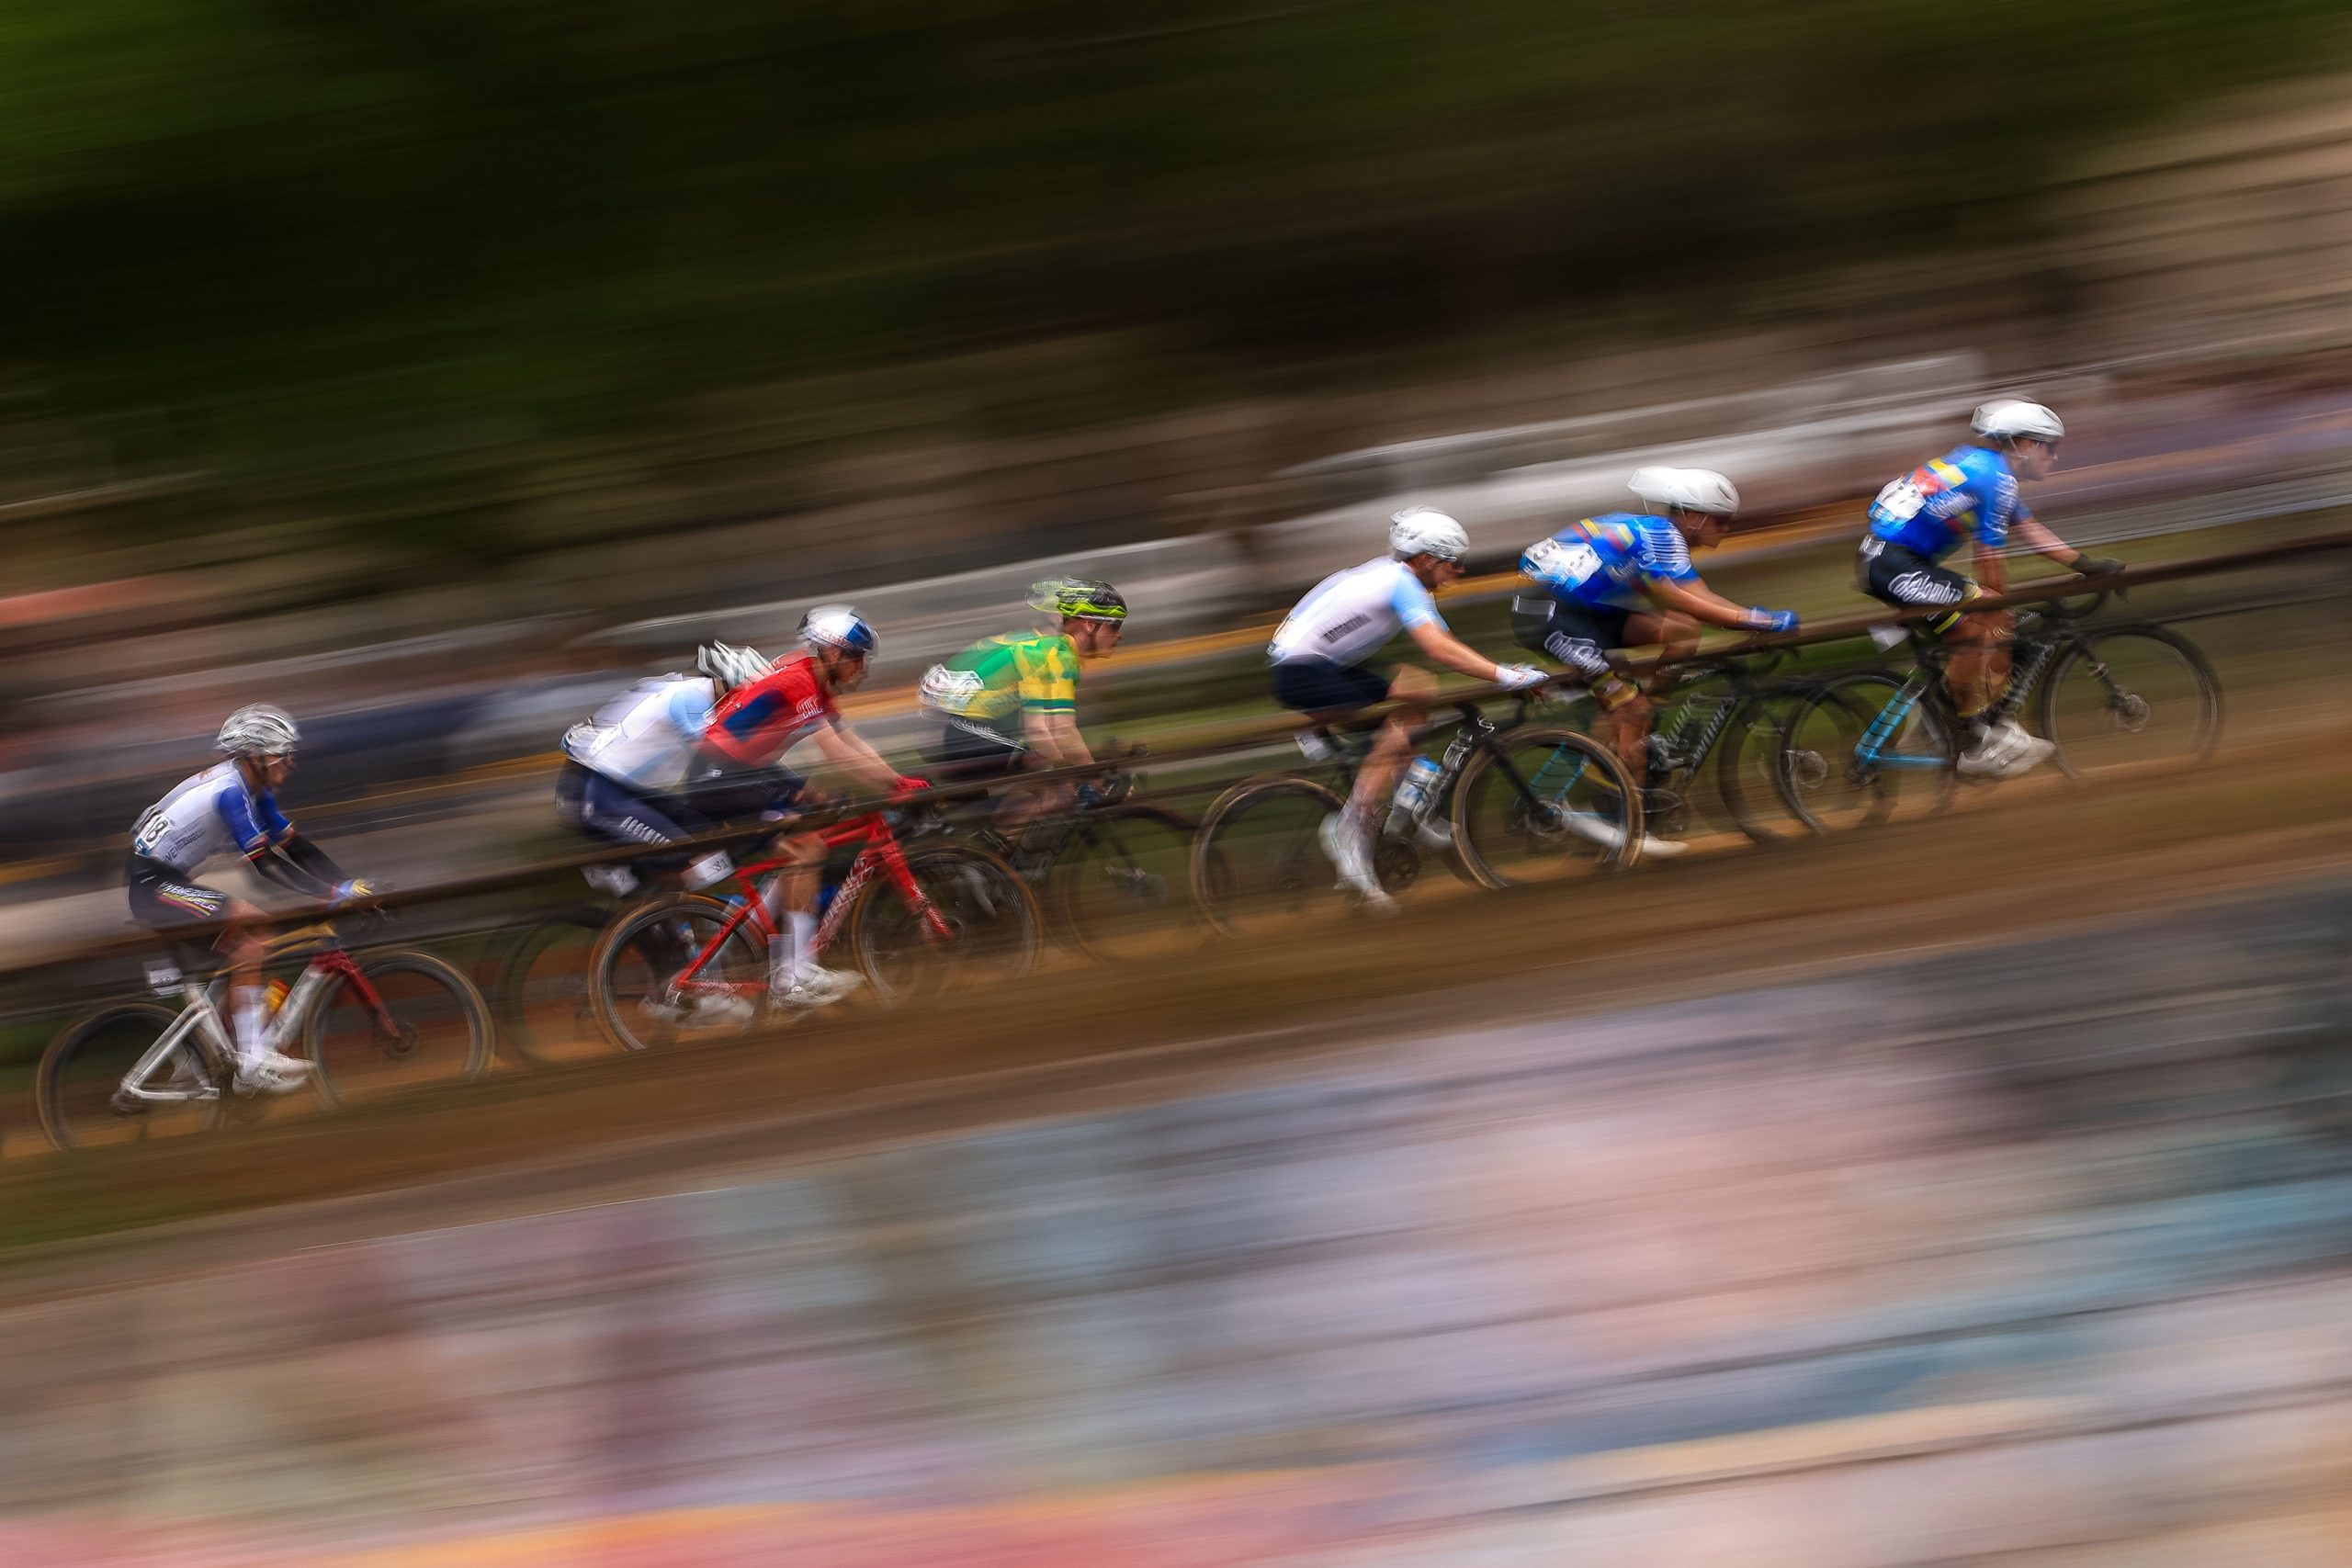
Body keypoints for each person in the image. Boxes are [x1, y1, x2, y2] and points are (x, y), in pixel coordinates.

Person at [1269, 505, 1549, 911]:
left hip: (1311, 665)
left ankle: (1410, 798)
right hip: (1305, 672)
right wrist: (1506, 675)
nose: (1460, 571)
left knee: (1418, 689)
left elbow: (1442, 646)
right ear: (1425, 560)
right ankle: (1350, 831)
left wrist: (1499, 671)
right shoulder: (1401, 584)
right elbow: (1439, 648)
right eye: (1454, 563)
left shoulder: (1390, 574)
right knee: (1395, 733)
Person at [1512, 467, 1799, 854]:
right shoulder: (1661, 534)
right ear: (1693, 517)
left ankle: (1644, 724)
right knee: (1632, 708)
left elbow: (1697, 599)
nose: (1727, 529)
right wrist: (1756, 620)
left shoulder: (1656, 533)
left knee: (1681, 633)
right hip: (1552, 616)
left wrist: (1750, 616)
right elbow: (1679, 599)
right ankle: (1621, 819)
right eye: (1721, 520)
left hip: (1575, 610)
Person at [1857, 400, 2121, 777]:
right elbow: (1989, 559)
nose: (2055, 457)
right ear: (2024, 445)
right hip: (1894, 564)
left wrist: (2086, 565)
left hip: (1890, 561)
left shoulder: (1982, 467)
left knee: (1985, 618)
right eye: (2051, 446)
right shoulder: (1994, 476)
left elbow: (2030, 530)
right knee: (1984, 619)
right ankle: (1976, 739)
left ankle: (1936, 719)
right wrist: (1999, 604)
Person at [126, 705, 373, 1094]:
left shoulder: (254, 792)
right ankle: (254, 1059)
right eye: (283, 752)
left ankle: (217, 1047)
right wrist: (328, 893)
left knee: (245, 947)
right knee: (253, 924)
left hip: (166, 880)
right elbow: (266, 865)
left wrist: (348, 883)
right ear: (255, 756)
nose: (291, 761)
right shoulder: (230, 793)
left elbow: (297, 847)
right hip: (153, 885)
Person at [702, 605, 927, 1009]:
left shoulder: (812, 679)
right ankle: (794, 976)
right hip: (721, 774)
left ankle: (750, 943)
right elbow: (835, 752)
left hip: (742, 769)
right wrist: (892, 784)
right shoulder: (799, 679)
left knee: (814, 822)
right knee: (808, 847)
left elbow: (849, 739)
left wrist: (897, 780)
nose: (864, 668)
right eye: (858, 658)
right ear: (834, 653)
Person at [919, 577, 1127, 843]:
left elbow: (1048, 728)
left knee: (1047, 779)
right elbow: (1055, 731)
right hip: (967, 731)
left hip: (956, 728)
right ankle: (992, 865)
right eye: (1115, 625)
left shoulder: (1046, 646)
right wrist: (1096, 777)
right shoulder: (1058, 652)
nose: (1119, 635)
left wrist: (1080, 768)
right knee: (1057, 789)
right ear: (1090, 624)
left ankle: (984, 852)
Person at [556, 642, 770, 899]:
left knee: (703, 830)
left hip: (623, 789)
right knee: (684, 851)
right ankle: (666, 908)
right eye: (747, 699)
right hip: (596, 792)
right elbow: (720, 755)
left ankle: (665, 911)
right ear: (730, 685)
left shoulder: (691, 693)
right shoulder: (691, 697)